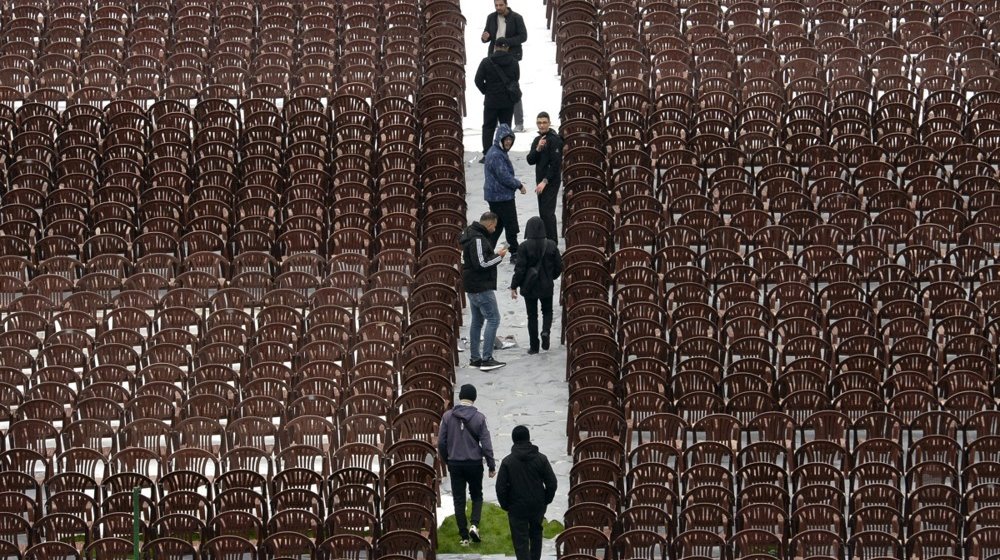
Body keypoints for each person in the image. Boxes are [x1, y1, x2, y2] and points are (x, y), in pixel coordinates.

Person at [438, 384, 497, 546]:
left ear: (460, 397)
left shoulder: (448, 416)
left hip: (455, 463)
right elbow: (486, 444)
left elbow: (441, 442)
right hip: (474, 464)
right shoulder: (479, 418)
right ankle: (474, 525)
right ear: (474, 398)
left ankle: (463, 535)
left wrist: (447, 460)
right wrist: (491, 465)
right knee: (477, 495)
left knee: (459, 499)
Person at [496, 426, 557, 560]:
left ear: (513, 440)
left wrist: (506, 505)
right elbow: (552, 483)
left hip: (516, 506)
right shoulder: (541, 459)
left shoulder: (507, 462)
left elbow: (500, 488)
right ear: (528, 438)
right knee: (536, 534)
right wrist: (546, 499)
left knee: (520, 539)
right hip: (537, 504)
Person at [459, 211, 509, 371]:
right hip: (480, 286)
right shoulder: (478, 239)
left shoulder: (469, 233)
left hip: (471, 285)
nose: (494, 229)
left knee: (477, 321)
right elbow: (481, 264)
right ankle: (487, 358)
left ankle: (475, 358)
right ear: (489, 224)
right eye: (494, 226)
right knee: (493, 319)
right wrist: (498, 256)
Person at [510, 216, 562, 354]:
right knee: (547, 311)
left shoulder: (524, 246)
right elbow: (559, 266)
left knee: (532, 316)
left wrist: (514, 285)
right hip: (547, 285)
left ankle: (534, 346)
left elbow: (520, 269)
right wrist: (551, 277)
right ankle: (545, 331)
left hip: (530, 286)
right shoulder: (551, 244)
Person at [481, 0, 528, 132]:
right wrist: (485, 37)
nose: (498, 8)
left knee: (513, 87)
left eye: (501, 5)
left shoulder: (517, 18)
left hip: (511, 57)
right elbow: (487, 34)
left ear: (506, 4)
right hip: (494, 57)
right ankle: (494, 121)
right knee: (494, 87)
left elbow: (523, 36)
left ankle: (519, 123)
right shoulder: (491, 17)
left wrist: (505, 43)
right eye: (496, 5)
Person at [484, 123, 527, 257]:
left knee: (497, 226)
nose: (508, 142)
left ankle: (488, 251)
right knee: (511, 226)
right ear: (500, 139)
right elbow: (504, 176)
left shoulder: (496, 151)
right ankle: (515, 252)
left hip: (496, 196)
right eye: (506, 139)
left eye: (510, 139)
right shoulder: (497, 154)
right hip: (502, 197)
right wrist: (519, 185)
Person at [475, 38, 520, 161]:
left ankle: (487, 154)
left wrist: (486, 90)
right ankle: (503, 152)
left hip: (491, 100)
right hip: (507, 101)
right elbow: (516, 79)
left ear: (495, 47)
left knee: (488, 127)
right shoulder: (514, 62)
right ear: (507, 48)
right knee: (505, 127)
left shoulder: (486, 61)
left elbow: (477, 80)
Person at [525, 112, 563, 243]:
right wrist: (538, 149)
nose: (541, 125)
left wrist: (545, 181)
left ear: (549, 123)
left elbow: (555, 164)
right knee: (543, 213)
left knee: (548, 213)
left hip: (551, 181)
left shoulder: (555, 140)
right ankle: (546, 240)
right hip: (540, 181)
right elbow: (530, 160)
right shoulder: (538, 140)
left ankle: (553, 243)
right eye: (539, 123)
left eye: (544, 122)